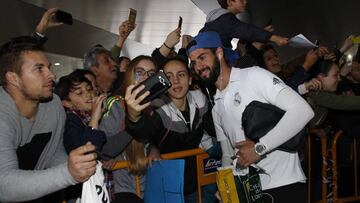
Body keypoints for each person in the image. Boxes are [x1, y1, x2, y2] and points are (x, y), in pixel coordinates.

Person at [187, 31, 314, 203]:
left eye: (202, 57)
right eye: (193, 62)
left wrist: (259, 149)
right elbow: (227, 154)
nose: (198, 66)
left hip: (284, 185)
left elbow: (302, 110)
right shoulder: (217, 107)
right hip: (250, 193)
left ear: (219, 52)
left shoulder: (253, 76)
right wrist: (226, 186)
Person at [0, 36, 97, 202]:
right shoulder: (3, 114)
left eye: (48, 67)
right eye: (39, 69)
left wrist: (76, 164)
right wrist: (68, 173)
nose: (51, 75)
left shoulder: (53, 105)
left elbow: (52, 153)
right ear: (13, 78)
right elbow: (4, 186)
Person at [125, 57, 215, 203]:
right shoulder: (158, 106)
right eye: (169, 77)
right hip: (168, 187)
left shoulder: (200, 100)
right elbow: (144, 132)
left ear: (190, 79)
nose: (176, 81)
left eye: (181, 74)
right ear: (163, 82)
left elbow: (214, 129)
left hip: (195, 184)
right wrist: (134, 116)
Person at [100, 55, 160, 203]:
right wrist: (134, 121)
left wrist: (153, 148)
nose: (146, 77)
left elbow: (147, 140)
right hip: (121, 191)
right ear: (129, 76)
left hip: (145, 187)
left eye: (151, 74)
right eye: (140, 72)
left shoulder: (153, 107)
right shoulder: (116, 104)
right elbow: (103, 149)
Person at [200, 0, 288, 50]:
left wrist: (262, 34)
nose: (245, 2)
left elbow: (245, 32)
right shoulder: (225, 20)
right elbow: (247, 31)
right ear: (230, 2)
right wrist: (274, 38)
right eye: (241, 0)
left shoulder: (218, 19)